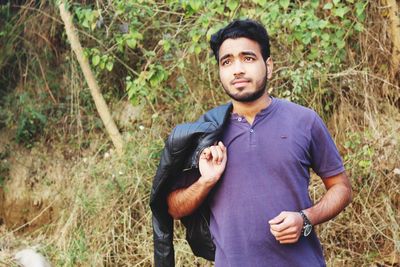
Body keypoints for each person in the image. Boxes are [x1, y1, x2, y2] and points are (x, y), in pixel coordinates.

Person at [165, 19, 352, 266]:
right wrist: (206, 181)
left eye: (248, 58)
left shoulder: (304, 121)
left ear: (269, 65)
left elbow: (341, 188)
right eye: (227, 61)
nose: (237, 69)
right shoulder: (205, 132)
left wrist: (305, 219)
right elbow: (174, 208)